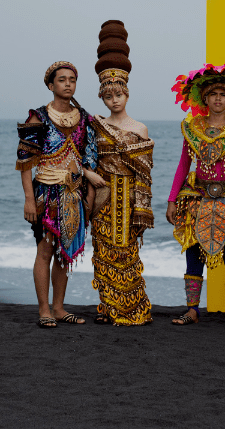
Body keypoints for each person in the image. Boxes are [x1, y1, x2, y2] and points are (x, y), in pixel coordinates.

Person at [166, 62, 225, 329]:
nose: (218, 99)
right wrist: (172, 200)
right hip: (196, 197)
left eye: (223, 94)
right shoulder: (192, 127)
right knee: (193, 253)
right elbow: (183, 165)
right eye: (213, 94)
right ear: (204, 98)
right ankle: (192, 310)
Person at [16, 61, 98, 328]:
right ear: (51, 86)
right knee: (45, 250)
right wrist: (29, 198)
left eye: (72, 80)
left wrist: (91, 195)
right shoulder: (38, 117)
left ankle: (60, 307)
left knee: (65, 253)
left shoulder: (84, 118)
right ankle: (44, 310)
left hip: (74, 193)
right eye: (61, 80)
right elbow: (25, 162)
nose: (67, 84)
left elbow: (89, 159)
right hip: (46, 194)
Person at [87, 20, 155, 326]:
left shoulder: (139, 128)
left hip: (128, 197)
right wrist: (88, 175)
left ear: (127, 93)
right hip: (102, 194)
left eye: (118, 94)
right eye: (108, 96)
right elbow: (85, 157)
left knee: (127, 251)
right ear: (103, 98)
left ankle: (132, 310)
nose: (114, 100)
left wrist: (142, 208)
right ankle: (110, 308)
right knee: (103, 250)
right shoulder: (96, 125)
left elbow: (145, 173)